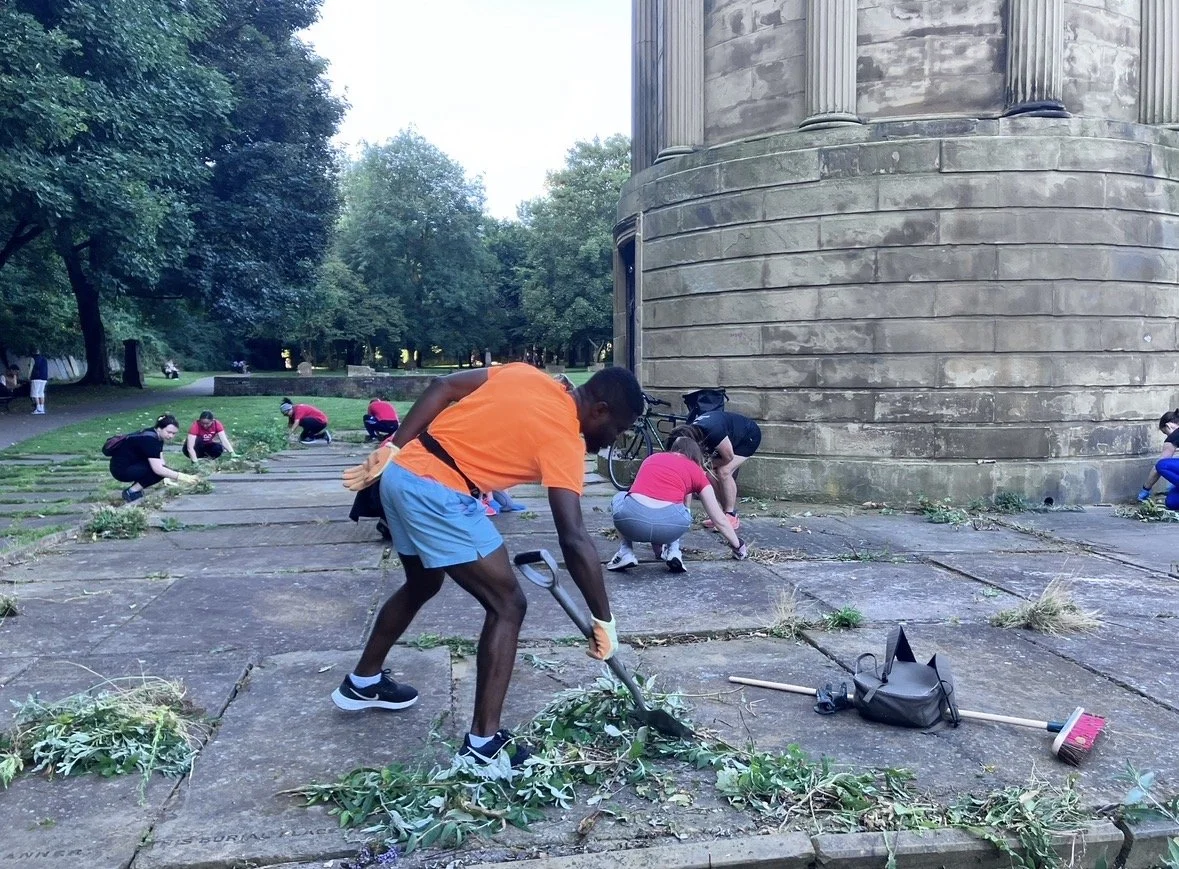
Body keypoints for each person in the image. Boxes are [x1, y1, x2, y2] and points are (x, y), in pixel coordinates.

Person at [331, 363, 642, 767]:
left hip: (402, 474)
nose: (612, 441)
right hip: (438, 494)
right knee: (508, 605)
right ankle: (483, 747)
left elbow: (442, 386)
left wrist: (395, 446)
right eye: (618, 430)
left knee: (423, 584)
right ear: (599, 410)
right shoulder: (563, 437)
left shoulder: (527, 375)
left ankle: (363, 682)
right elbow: (575, 538)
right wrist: (605, 620)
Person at [607, 435, 748, 573]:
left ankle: (625, 551)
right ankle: (674, 552)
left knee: (621, 497)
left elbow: (643, 500)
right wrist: (737, 545)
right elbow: (719, 519)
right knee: (682, 508)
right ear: (695, 455)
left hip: (631, 523)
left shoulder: (651, 459)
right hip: (671, 527)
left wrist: (657, 549)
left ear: (673, 450)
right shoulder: (697, 472)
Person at [671, 410, 762, 531]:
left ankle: (731, 516)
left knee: (724, 471)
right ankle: (724, 516)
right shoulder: (693, 431)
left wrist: (707, 464)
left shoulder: (713, 432)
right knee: (709, 474)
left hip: (748, 436)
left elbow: (728, 457)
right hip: (730, 436)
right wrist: (686, 510)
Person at [109, 414, 198, 502]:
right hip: (121, 470)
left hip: (130, 464)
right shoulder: (150, 440)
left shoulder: (156, 435)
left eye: (174, 433)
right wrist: (182, 477)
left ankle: (134, 490)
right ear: (159, 428)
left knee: (163, 471)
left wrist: (167, 476)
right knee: (158, 471)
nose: (171, 436)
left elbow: (160, 458)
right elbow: (158, 469)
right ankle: (131, 492)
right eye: (169, 432)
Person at [1137, 408, 1179, 510]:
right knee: (1171, 502)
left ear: (1168, 426)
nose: (1167, 436)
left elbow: (1158, 468)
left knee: (1162, 465)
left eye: (1165, 433)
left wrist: (1146, 488)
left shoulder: (1174, 436)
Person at [28, 350, 48, 414]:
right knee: (41, 392)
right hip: (44, 377)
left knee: (35, 393)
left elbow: (31, 368)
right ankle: (42, 408)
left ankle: (38, 407)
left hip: (36, 377)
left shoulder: (33, 358)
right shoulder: (44, 359)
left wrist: (29, 376)